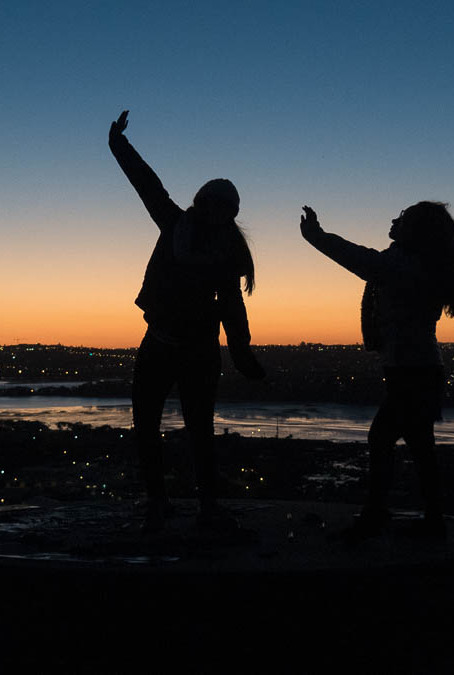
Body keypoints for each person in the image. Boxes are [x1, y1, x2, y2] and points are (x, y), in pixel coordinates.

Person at [300, 202, 454, 540]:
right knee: (419, 446)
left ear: (416, 230)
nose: (394, 220)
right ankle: (428, 520)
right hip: (420, 369)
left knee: (385, 439)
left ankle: (380, 515)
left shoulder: (400, 265)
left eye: (402, 218)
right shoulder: (436, 268)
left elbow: (356, 258)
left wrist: (315, 236)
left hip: (410, 371)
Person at [108, 111, 265, 532]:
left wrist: (242, 351)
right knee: (146, 425)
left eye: (227, 209)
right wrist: (119, 144)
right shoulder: (175, 224)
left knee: (200, 430)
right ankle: (157, 501)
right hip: (160, 340)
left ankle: (208, 506)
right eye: (217, 205)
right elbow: (147, 184)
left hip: (196, 348)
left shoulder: (229, 251)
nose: (221, 213)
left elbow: (233, 304)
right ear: (203, 203)